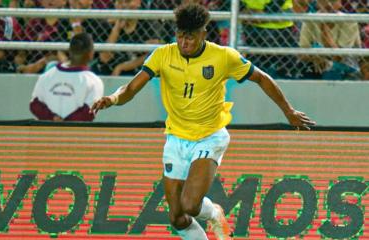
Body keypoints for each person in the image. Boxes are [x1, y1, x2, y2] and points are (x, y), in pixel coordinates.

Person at [91, 3, 315, 240]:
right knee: (177, 216)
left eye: (190, 37)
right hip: (176, 137)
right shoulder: (162, 55)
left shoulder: (223, 56)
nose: (184, 43)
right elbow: (132, 87)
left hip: (210, 136)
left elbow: (262, 78)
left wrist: (288, 111)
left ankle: (214, 212)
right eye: (180, 36)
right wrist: (112, 98)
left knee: (189, 204)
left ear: (203, 34)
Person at [30, 32, 104, 121]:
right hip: (74, 134)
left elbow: (35, 105)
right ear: (91, 53)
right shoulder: (94, 81)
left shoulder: (47, 75)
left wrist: (53, 118)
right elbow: (89, 112)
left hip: (47, 132)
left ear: (69, 51)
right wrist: (65, 124)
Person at [298, 0, 362, 80]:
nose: (328, 4)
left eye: (332, 1)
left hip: (346, 65)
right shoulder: (310, 19)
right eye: (323, 1)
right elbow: (302, 54)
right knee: (302, 68)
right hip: (317, 62)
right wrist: (316, 56)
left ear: (339, 3)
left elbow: (338, 57)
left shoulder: (349, 21)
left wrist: (325, 29)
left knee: (331, 69)